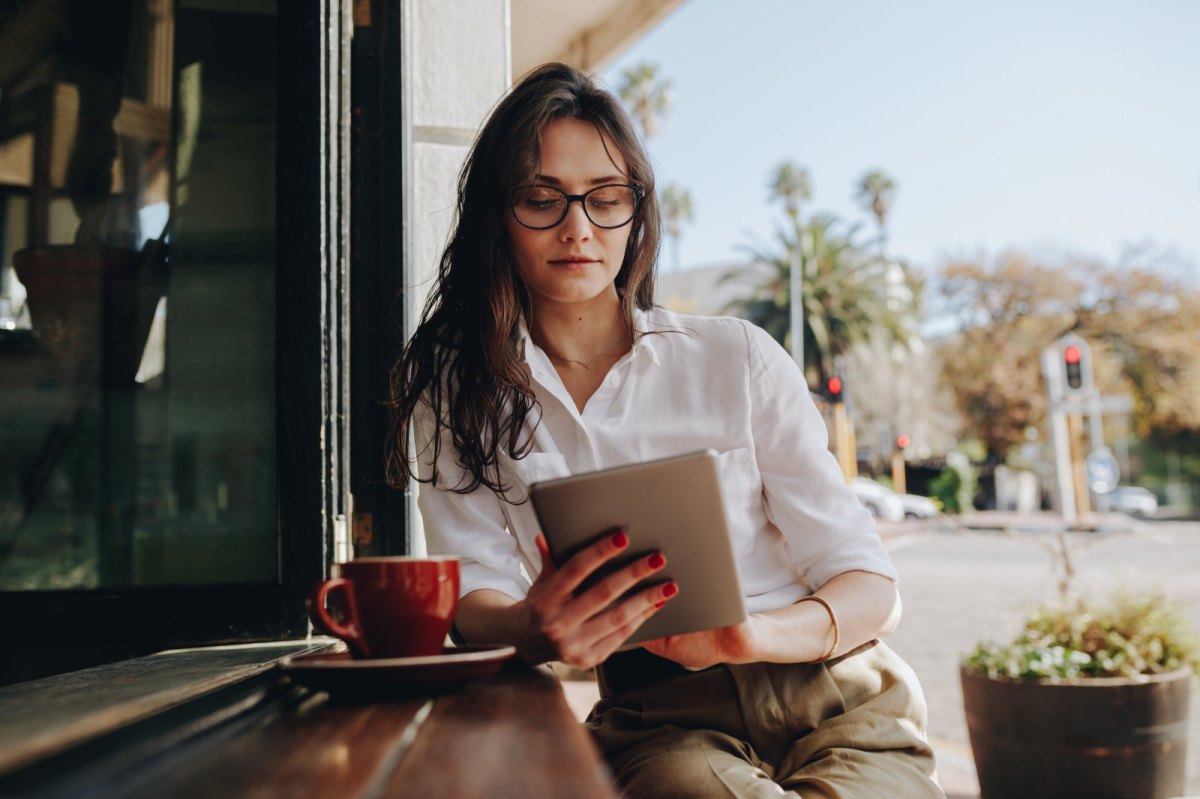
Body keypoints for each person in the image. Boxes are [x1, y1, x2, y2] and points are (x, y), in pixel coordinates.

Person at [387, 62, 943, 799]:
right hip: (662, 723)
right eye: (541, 199)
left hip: (838, 694)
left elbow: (872, 587)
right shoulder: (457, 395)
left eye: (605, 199)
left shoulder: (736, 357)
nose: (577, 227)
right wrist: (533, 625)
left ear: (635, 211)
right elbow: (473, 596)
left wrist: (745, 637)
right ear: (500, 214)